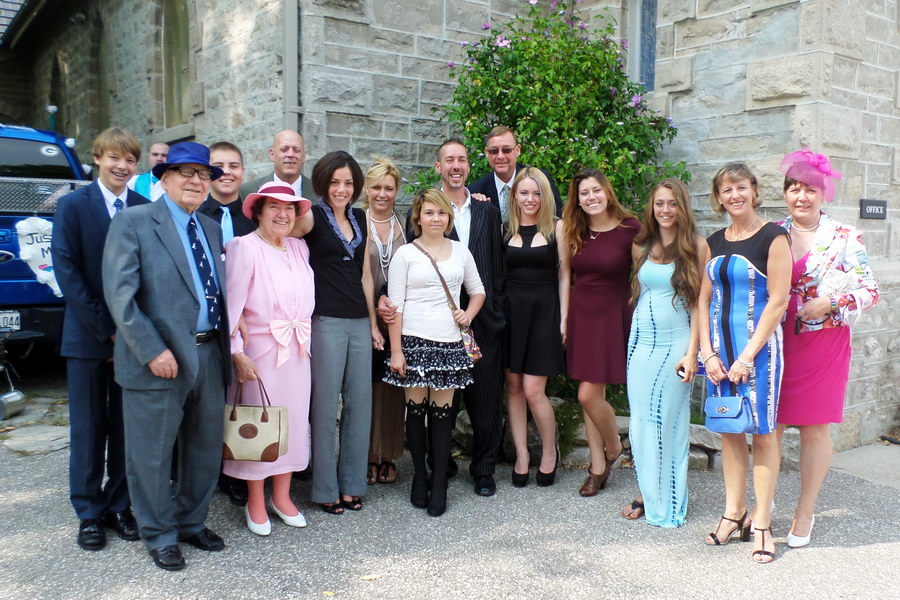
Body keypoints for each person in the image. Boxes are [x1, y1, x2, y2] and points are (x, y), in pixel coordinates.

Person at [102, 142, 231, 571]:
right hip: (158, 361)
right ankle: (158, 534)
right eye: (186, 172)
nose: (196, 181)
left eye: (204, 175)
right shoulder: (133, 222)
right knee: (152, 454)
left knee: (204, 449)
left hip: (209, 352)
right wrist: (152, 350)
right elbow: (120, 297)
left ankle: (191, 522)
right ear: (165, 177)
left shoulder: (210, 226)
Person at [774, 149, 879, 549]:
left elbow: (870, 290)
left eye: (809, 190)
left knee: (814, 428)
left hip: (823, 343)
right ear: (785, 193)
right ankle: (763, 503)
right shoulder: (772, 233)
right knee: (770, 426)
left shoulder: (844, 236)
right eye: (794, 189)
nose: (801, 197)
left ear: (823, 194)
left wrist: (832, 302)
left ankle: (805, 511)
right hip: (775, 340)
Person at [52, 127, 148, 551]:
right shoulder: (73, 206)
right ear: (97, 159)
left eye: (129, 160)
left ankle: (120, 505)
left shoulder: (144, 208)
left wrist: (133, 332)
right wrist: (109, 330)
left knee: (127, 428)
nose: (121, 166)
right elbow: (67, 271)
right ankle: (89, 511)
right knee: (89, 427)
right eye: (114, 158)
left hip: (134, 340)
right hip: (88, 338)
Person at [699, 162, 791, 564]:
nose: (734, 195)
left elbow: (779, 301)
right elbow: (702, 301)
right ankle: (733, 513)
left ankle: (763, 523)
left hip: (759, 353)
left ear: (754, 190)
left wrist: (746, 357)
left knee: (763, 433)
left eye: (740, 187)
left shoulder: (774, 237)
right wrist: (707, 353)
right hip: (719, 357)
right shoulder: (713, 241)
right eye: (726, 190)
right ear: (718, 198)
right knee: (729, 431)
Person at [290, 150, 383, 514]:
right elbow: (280, 245)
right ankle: (325, 488)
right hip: (325, 321)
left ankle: (352, 485)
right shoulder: (310, 217)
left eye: (348, 183)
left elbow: (365, 275)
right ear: (322, 183)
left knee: (360, 405)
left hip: (359, 321)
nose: (341, 189)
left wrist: (373, 323)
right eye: (334, 182)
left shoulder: (360, 217)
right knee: (326, 407)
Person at [383, 189, 485, 516]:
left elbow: (478, 291)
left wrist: (468, 315)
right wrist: (396, 351)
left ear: (448, 218)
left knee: (442, 418)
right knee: (415, 413)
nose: (436, 218)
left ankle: (439, 480)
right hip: (413, 341)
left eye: (441, 213)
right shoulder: (405, 254)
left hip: (449, 342)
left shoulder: (461, 252)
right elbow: (395, 306)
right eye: (429, 213)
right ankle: (419, 476)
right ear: (418, 217)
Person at [222, 181, 314, 536]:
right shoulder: (244, 247)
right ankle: (255, 501)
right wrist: (237, 352)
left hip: (297, 352)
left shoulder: (299, 248)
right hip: (259, 353)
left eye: (289, 208)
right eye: (274, 207)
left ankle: (282, 496)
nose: (282, 214)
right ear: (258, 212)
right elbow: (232, 307)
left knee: (292, 423)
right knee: (259, 425)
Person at [622, 178, 705, 526]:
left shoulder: (696, 246)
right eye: (659, 203)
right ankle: (646, 490)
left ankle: (668, 498)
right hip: (641, 343)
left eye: (672, 203)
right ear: (652, 207)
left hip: (677, 343)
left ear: (682, 207)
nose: (665, 210)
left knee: (667, 422)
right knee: (641, 422)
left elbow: (700, 305)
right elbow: (640, 293)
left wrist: (693, 353)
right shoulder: (640, 245)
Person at [559, 168, 640, 497]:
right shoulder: (571, 228)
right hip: (582, 315)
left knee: (588, 395)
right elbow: (565, 276)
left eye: (596, 190)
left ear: (607, 192)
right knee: (590, 394)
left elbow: (642, 274)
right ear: (577, 199)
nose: (591, 197)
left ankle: (613, 445)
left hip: (613, 315)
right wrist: (564, 318)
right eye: (584, 193)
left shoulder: (630, 228)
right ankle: (597, 467)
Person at [503, 167, 566, 488]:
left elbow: (565, 275)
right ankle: (522, 455)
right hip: (512, 314)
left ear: (545, 196)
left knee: (533, 390)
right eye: (524, 192)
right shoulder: (504, 230)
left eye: (537, 193)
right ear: (514, 195)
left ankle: (549, 452)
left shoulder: (558, 228)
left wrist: (565, 317)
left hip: (545, 313)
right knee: (513, 386)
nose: (530, 199)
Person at [363, 157, 407, 486]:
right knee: (365, 388)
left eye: (389, 188)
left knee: (393, 388)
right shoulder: (355, 222)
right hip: (363, 314)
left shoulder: (405, 224)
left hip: (398, 316)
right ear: (366, 189)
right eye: (376, 187)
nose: (382, 194)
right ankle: (366, 454)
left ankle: (389, 453)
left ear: (396, 191)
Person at [467, 126, 563, 220]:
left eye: (506, 150)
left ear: (517, 150)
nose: (500, 156)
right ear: (487, 153)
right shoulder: (475, 191)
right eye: (494, 151)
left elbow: (558, 216)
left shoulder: (540, 180)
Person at [198, 141, 256, 245]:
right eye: (218, 166)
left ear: (243, 172)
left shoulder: (256, 218)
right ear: (207, 173)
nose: (226, 171)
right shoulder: (195, 217)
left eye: (233, 166)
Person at [241, 130, 315, 199]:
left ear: (304, 156)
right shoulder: (247, 192)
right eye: (284, 149)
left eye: (296, 150)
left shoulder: (319, 192)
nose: (290, 154)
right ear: (272, 154)